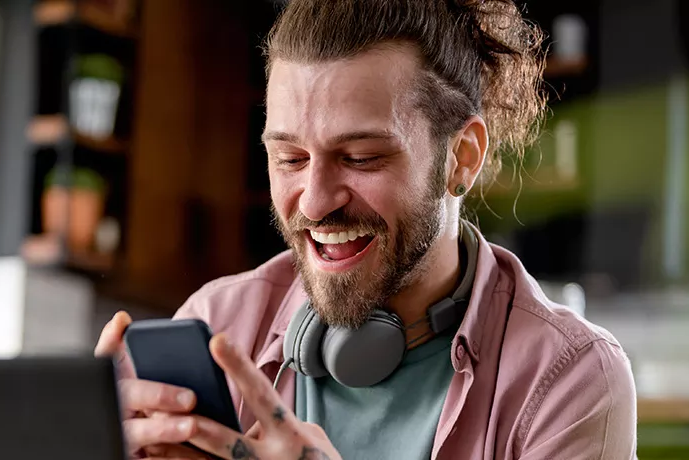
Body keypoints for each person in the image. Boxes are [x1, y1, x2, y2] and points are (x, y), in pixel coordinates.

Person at [93, 0, 638, 458]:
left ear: (462, 158)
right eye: (289, 158)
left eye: (361, 157)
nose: (314, 201)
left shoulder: (570, 380)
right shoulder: (217, 326)